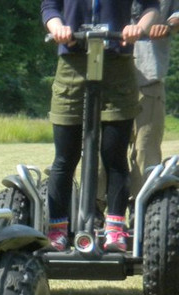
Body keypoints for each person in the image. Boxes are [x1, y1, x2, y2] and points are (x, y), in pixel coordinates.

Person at [41, 0, 159, 252]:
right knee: (65, 157)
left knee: (114, 155)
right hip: (72, 63)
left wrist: (138, 27)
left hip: (117, 62)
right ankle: (57, 229)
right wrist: (58, 27)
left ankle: (115, 228)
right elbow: (49, 7)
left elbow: (151, 6)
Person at [130, 0, 179, 196]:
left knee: (145, 149)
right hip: (107, 76)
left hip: (148, 78)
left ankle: (143, 204)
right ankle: (96, 205)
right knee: (101, 149)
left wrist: (168, 25)